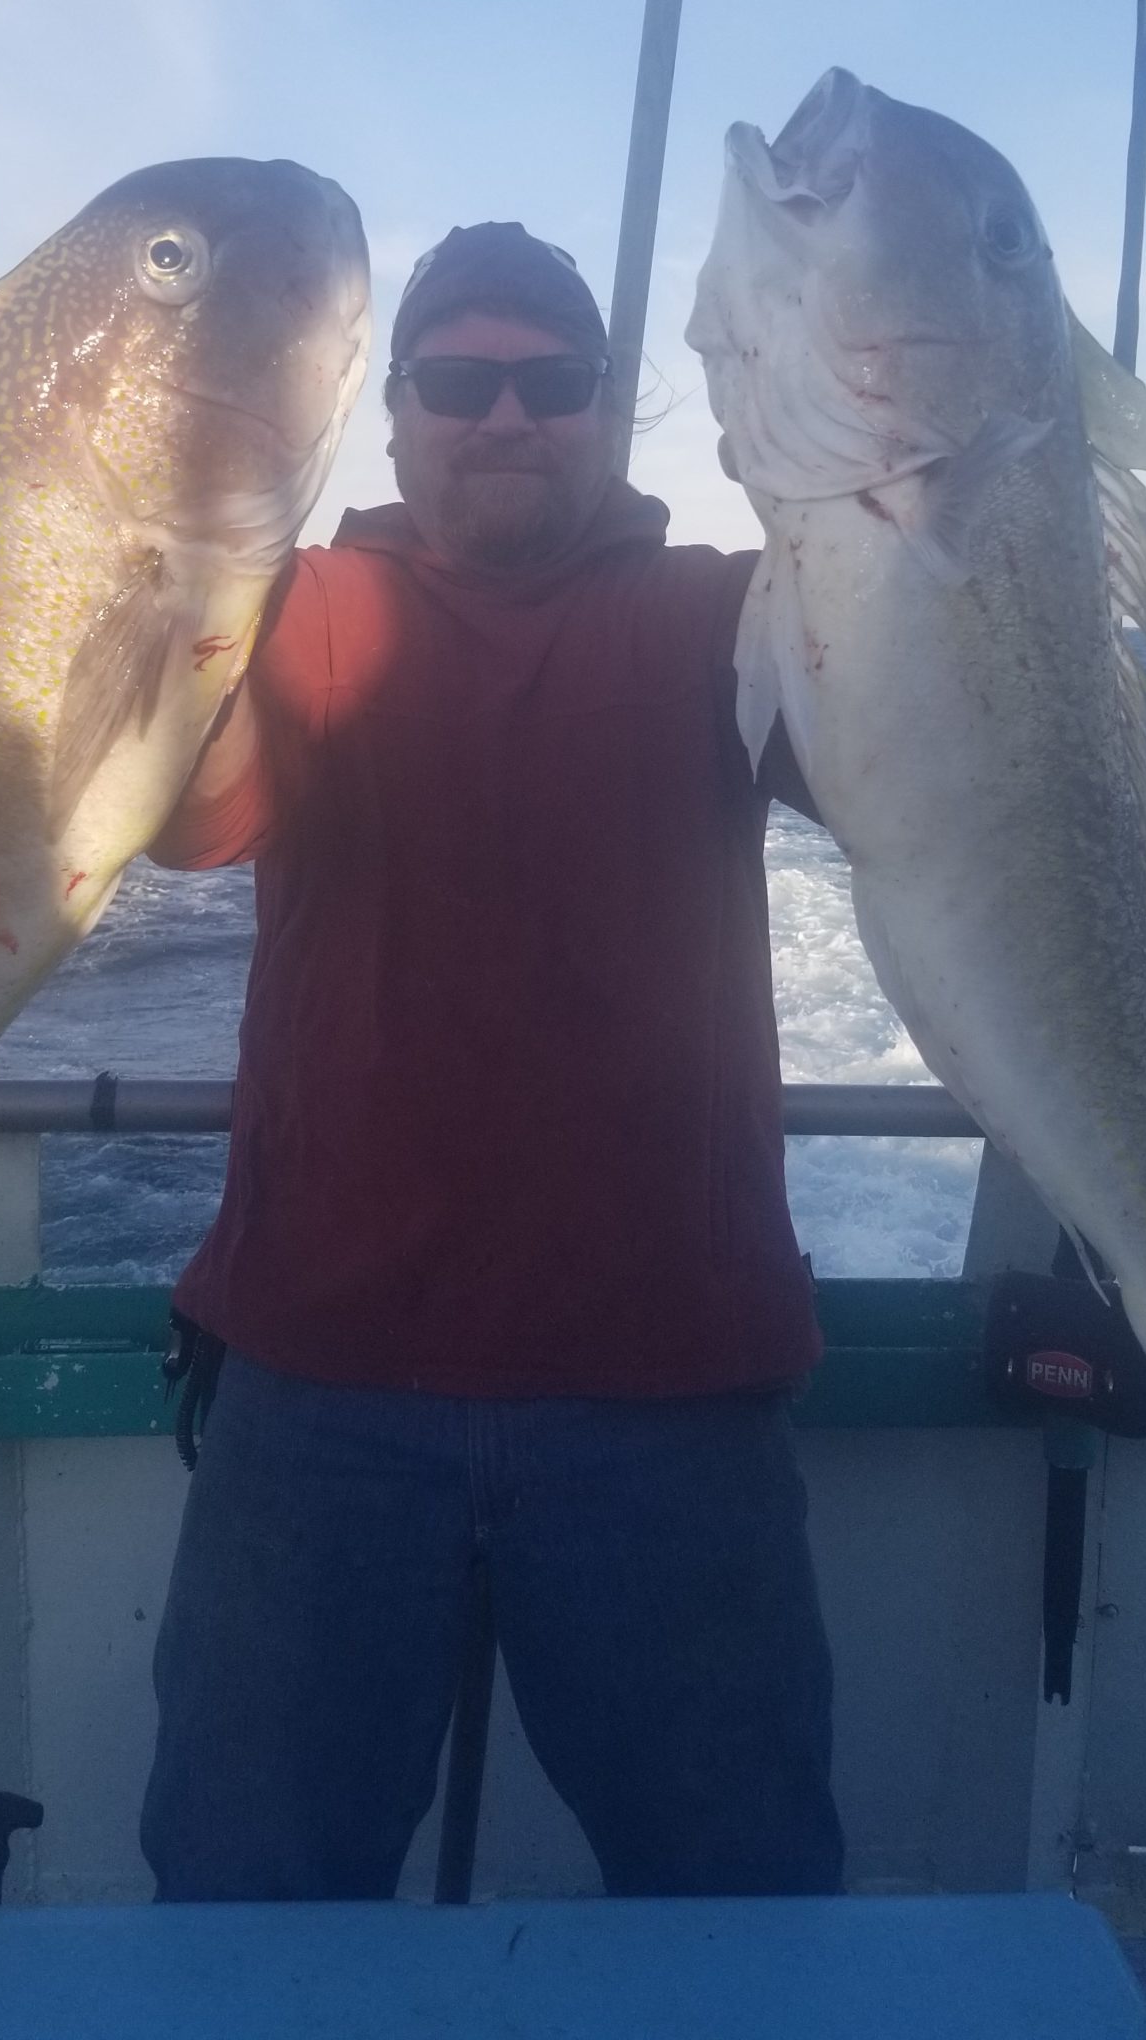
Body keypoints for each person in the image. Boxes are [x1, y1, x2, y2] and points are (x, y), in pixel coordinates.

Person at [138, 221, 844, 1902]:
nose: (506, 418)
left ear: (613, 414)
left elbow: (935, 784)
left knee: (739, 1903)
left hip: (672, 1391)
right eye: (462, 383)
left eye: (556, 384)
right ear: (392, 415)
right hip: (321, 1389)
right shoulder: (295, 611)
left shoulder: (738, 617)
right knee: (248, 1902)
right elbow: (179, 813)